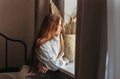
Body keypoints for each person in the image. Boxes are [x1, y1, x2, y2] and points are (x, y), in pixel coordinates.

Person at [28, 14, 69, 79]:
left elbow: (59, 56)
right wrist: (64, 61)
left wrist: (48, 64)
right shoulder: (42, 44)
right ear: (51, 26)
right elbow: (54, 65)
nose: (61, 28)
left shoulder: (57, 38)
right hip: (39, 75)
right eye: (59, 25)